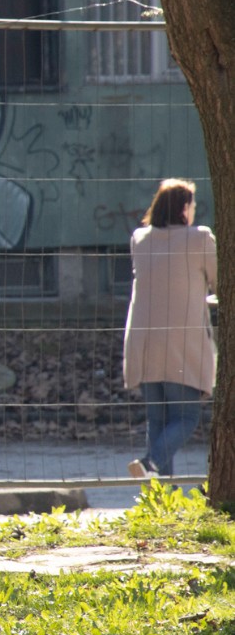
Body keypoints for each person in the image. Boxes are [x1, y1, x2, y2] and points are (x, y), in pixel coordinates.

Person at [121, 178, 216, 479]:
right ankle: (150, 462)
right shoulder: (200, 238)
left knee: (158, 422)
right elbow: (219, 279)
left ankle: (162, 500)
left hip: (145, 344)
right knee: (187, 417)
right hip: (182, 343)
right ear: (184, 208)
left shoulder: (140, 238)